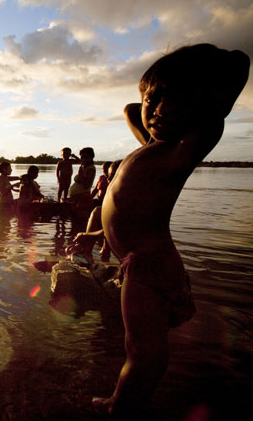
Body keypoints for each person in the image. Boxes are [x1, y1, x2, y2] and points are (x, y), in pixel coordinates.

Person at [91, 44, 249, 414]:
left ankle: (124, 407)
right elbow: (133, 110)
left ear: (203, 104)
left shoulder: (182, 149)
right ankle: (128, 399)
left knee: (144, 352)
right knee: (139, 345)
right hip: (137, 258)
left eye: (175, 100)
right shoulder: (151, 146)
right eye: (154, 99)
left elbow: (241, 62)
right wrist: (100, 233)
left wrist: (205, 90)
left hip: (148, 262)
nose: (159, 109)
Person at [67, 147, 96, 225]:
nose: (83, 159)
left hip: (83, 199)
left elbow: (87, 185)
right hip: (77, 200)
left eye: (86, 157)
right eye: (82, 157)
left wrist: (81, 175)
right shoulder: (84, 167)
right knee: (75, 223)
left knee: (81, 223)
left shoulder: (90, 169)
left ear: (91, 157)